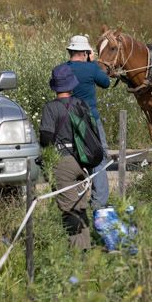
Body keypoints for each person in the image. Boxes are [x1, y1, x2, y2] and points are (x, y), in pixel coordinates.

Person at [39, 64, 94, 250]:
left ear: (55, 86)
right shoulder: (81, 104)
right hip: (83, 161)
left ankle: (78, 254)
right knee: (80, 205)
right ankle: (86, 247)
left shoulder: (51, 108)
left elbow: (46, 139)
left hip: (63, 162)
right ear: (71, 85)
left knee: (69, 210)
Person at [64, 34, 111, 209]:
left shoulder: (62, 69)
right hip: (91, 119)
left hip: (68, 119)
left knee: (73, 157)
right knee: (99, 156)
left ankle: (73, 201)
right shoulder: (91, 69)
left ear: (70, 51)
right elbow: (105, 83)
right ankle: (99, 202)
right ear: (85, 52)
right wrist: (92, 63)